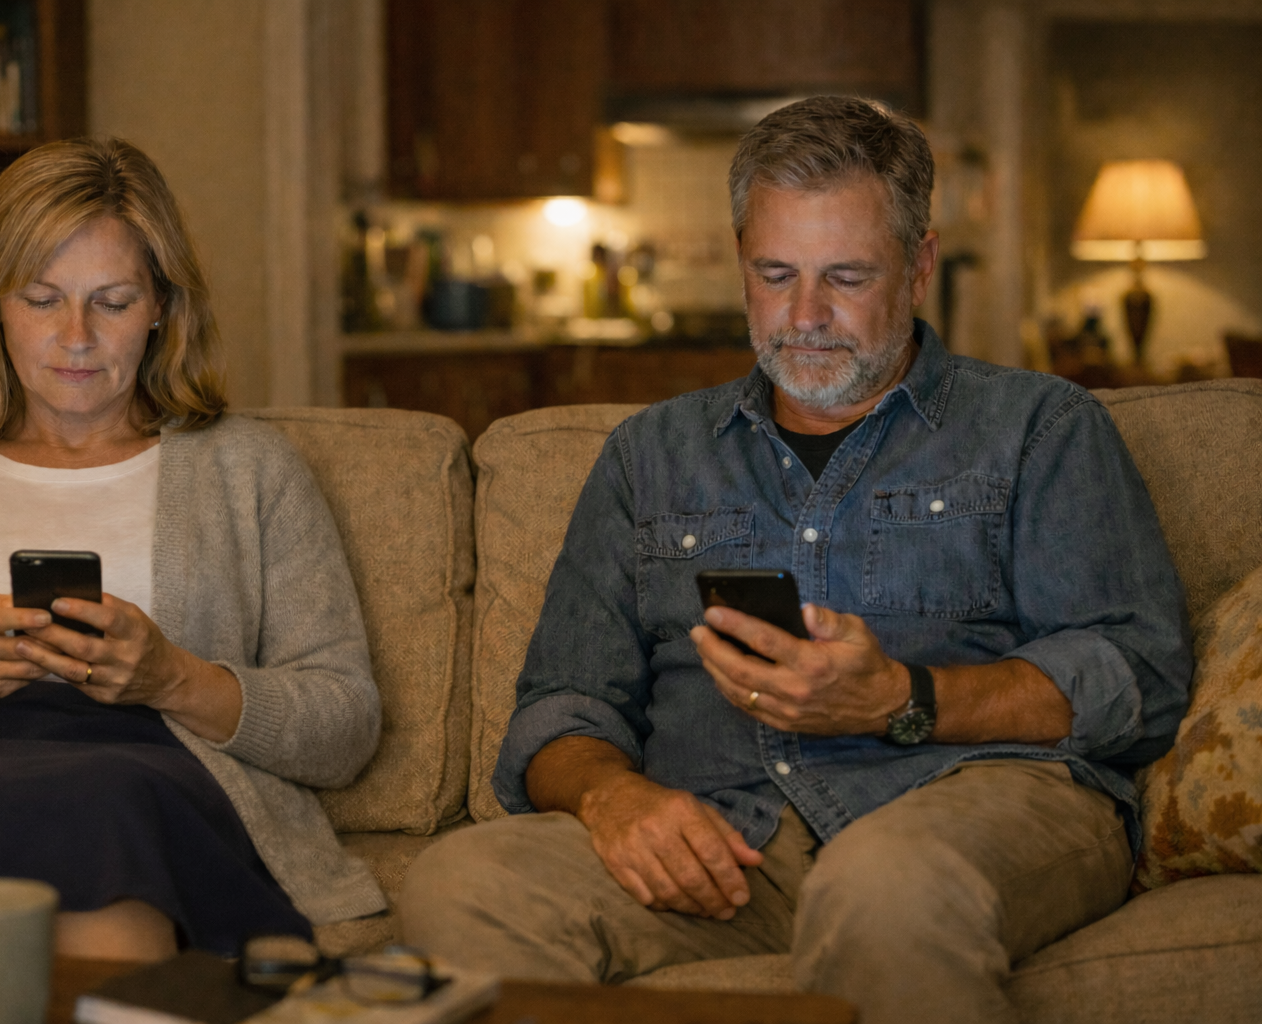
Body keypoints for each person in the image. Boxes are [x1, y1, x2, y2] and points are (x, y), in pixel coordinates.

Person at [397, 97, 1192, 1023]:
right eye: (775, 275)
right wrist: (611, 796)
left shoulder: (1039, 428)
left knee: (884, 887)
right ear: (741, 260)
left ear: (920, 266)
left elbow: (1139, 676)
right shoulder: (649, 456)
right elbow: (565, 704)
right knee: (461, 882)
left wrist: (903, 699)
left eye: (845, 277)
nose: (804, 316)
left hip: (972, 801)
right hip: (727, 835)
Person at [0, 137, 386, 962]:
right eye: (41, 298)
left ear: (162, 306)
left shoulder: (249, 468)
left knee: (106, 805)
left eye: (111, 302)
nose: (75, 336)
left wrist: (172, 678)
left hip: (152, 781)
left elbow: (344, 726)